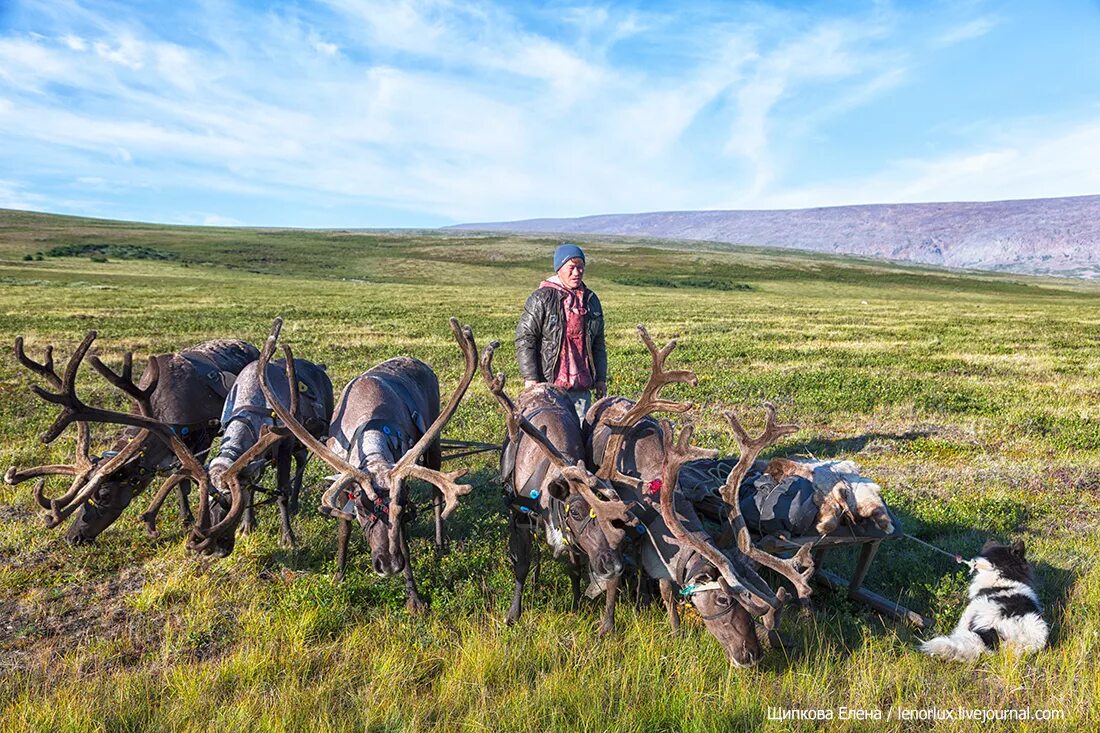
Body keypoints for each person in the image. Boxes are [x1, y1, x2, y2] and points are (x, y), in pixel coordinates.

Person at [515, 242, 607, 420]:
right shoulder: (541, 298)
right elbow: (525, 339)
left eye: (581, 267)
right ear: (559, 269)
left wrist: (601, 378)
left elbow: (598, 345)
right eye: (572, 267)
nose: (577, 272)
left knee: (580, 441)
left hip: (581, 389)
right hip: (548, 387)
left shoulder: (591, 300)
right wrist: (531, 378)